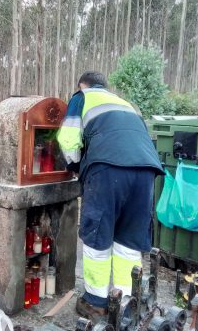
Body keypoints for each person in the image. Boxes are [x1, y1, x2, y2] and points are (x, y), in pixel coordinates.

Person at [56, 71, 164, 320]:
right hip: (146, 171)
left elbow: (69, 138)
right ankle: (126, 303)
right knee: (128, 240)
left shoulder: (83, 96)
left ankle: (96, 303)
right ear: (106, 86)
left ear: (83, 85)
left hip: (107, 169)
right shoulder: (127, 104)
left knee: (97, 237)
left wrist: (76, 167)